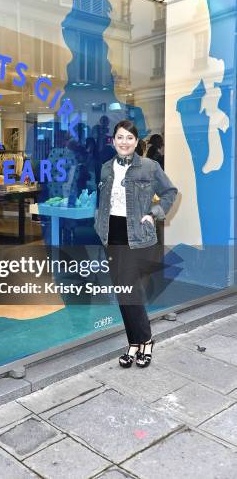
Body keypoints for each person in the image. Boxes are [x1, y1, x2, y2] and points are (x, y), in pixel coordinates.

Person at [95, 120, 177, 368]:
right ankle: (134, 342)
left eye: (129, 138)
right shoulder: (106, 168)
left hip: (137, 236)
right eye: (120, 137)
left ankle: (145, 340)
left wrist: (154, 213)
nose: (124, 142)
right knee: (123, 292)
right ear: (113, 140)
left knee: (131, 290)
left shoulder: (150, 167)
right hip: (112, 235)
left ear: (136, 141)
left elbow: (170, 192)